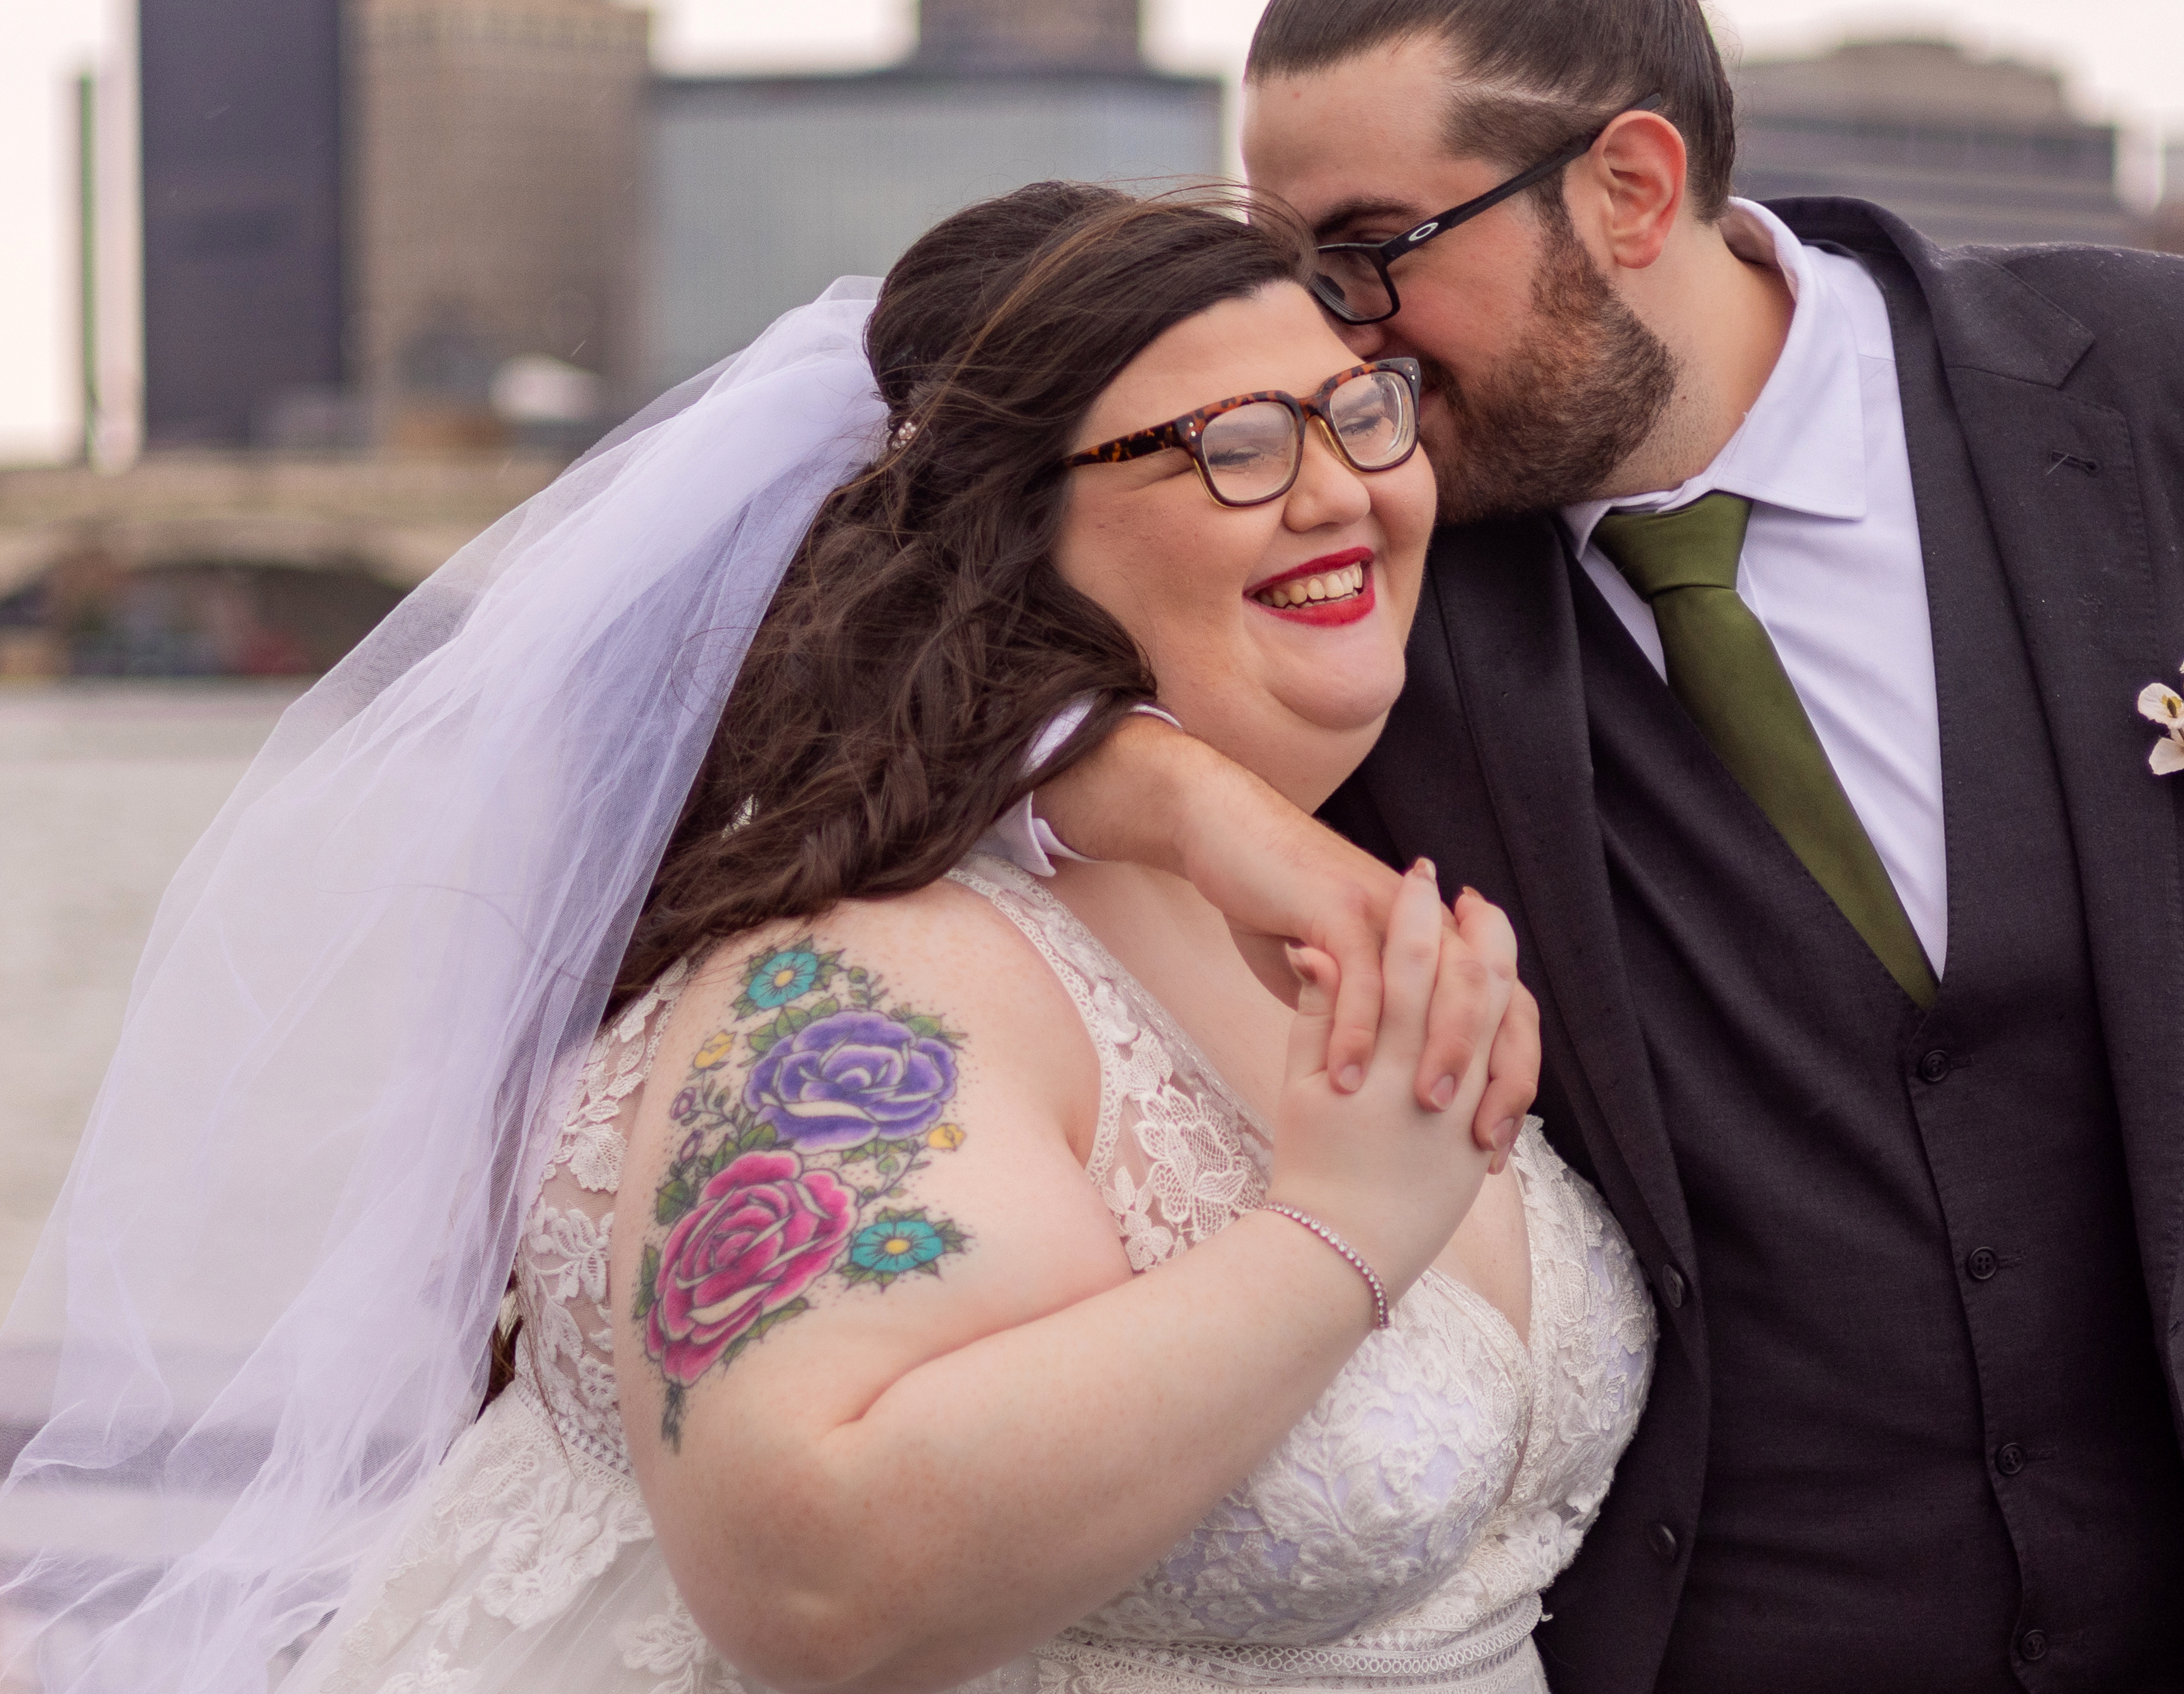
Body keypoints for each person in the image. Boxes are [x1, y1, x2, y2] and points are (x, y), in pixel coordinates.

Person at [1021, 0, 2184, 1694]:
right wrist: (1170, 798)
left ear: (1628, 187)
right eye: (1300, 265)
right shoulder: (1368, 566)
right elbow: (877, 639)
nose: (1338, 336)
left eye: (1372, 250)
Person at [0, 186, 1649, 1694]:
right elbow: (808, 1581)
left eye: (1361, 415)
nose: (1342, 490)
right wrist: (1336, 1236)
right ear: (1012, 525)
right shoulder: (869, 983)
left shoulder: (1329, 880)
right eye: (1231, 442)